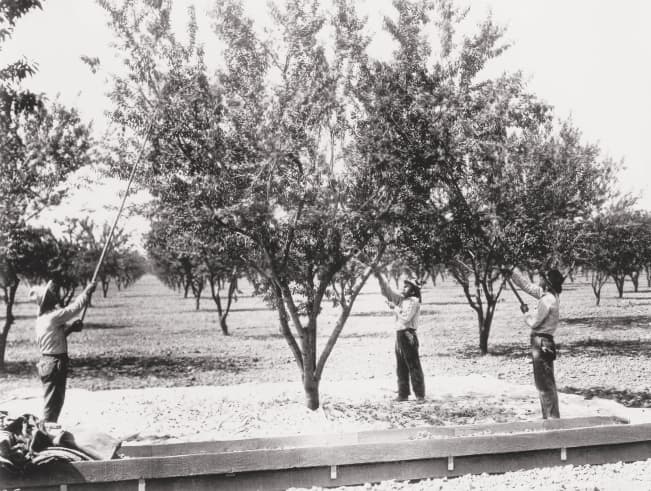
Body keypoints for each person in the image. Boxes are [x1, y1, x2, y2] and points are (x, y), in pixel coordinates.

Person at [33, 279, 96, 423]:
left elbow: (54, 338)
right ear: (47, 301)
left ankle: (48, 430)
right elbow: (73, 309)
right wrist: (87, 291)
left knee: (54, 402)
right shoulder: (53, 317)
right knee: (53, 404)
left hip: (49, 362)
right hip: (54, 363)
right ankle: (44, 434)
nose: (54, 295)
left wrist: (71, 329)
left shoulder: (42, 319)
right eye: (50, 295)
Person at [508, 267, 564, 419]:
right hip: (545, 342)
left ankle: (552, 420)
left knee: (544, 384)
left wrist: (526, 313)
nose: (539, 279)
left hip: (541, 342)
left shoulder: (546, 300)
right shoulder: (550, 295)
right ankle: (550, 416)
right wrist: (513, 272)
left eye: (542, 278)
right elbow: (527, 286)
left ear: (547, 282)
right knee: (546, 382)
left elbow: (534, 323)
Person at [375, 273, 425, 401]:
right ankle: (403, 394)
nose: (404, 289)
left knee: (413, 365)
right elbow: (388, 291)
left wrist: (395, 308)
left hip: (408, 334)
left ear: (414, 290)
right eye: (404, 286)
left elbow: (405, 318)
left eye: (407, 287)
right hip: (400, 335)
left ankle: (420, 395)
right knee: (401, 365)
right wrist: (380, 276)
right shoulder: (403, 299)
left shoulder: (414, 301)